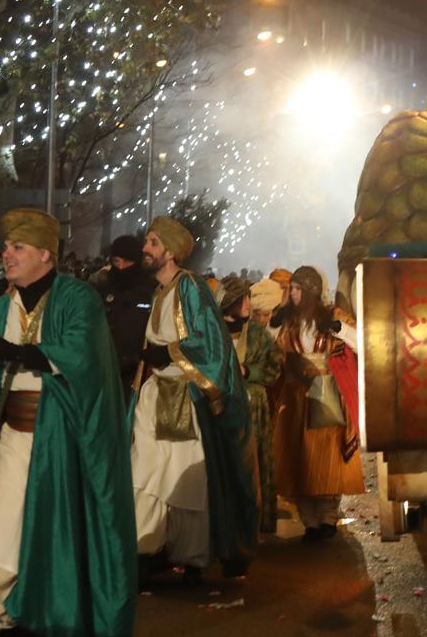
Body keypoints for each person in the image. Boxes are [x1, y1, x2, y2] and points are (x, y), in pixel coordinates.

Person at [0, 207, 135, 636]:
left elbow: (81, 356)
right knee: (7, 523)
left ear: (46, 255)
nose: (6, 255)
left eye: (18, 248)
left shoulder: (77, 298)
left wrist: (17, 353)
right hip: (11, 439)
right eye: (5, 247)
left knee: (21, 530)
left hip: (60, 443)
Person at [130, 216, 254, 581]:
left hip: (184, 398)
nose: (145, 249)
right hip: (154, 397)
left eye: (152, 242)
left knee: (185, 480)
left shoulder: (191, 288)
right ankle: (148, 548)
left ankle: (190, 555)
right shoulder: (158, 292)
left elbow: (211, 342)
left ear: (169, 251)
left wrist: (169, 353)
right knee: (146, 473)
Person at [271, 267, 362, 539]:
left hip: (326, 393)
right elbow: (270, 348)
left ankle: (327, 517)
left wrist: (338, 328)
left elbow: (362, 343)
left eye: (297, 289)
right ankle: (309, 521)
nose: (292, 293)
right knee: (299, 458)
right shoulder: (288, 320)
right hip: (295, 394)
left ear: (309, 291)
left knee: (328, 457)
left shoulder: (332, 316)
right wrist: (274, 321)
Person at [218, 277, 282, 535]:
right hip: (221, 408)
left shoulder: (257, 333)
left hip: (254, 407)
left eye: (248, 297)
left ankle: (256, 519)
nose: (248, 303)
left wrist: (248, 371)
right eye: (241, 298)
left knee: (254, 464)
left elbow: (274, 366)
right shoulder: (214, 333)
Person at [96, 235, 155, 389]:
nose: (121, 268)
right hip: (102, 369)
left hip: (136, 374)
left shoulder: (150, 291)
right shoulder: (103, 289)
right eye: (116, 262)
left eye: (127, 262)